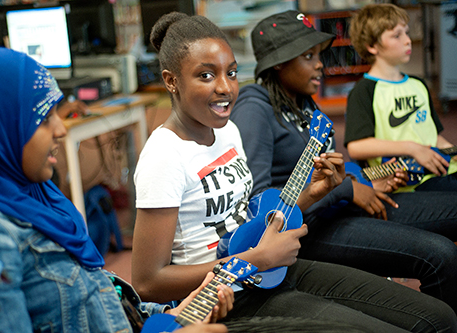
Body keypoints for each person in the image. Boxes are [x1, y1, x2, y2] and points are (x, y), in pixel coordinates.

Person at [132, 11, 457, 332]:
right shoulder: (164, 155)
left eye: (231, 73)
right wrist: (254, 260)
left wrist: (313, 194)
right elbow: (148, 283)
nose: (225, 88)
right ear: (171, 80)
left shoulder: (228, 132)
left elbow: (249, 220)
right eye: (206, 76)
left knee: (440, 319)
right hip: (228, 297)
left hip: (271, 269)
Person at [0, 47, 236, 333]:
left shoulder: (38, 197)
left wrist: (168, 313)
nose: (61, 129)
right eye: (43, 118)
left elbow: (91, 294)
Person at [229, 9, 457, 314]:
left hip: (339, 209)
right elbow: (259, 203)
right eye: (308, 56)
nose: (320, 64)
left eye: (318, 55)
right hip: (308, 229)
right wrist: (347, 190)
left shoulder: (303, 104)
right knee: (439, 255)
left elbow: (328, 173)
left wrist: (366, 180)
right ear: (280, 63)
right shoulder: (255, 107)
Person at [344, 3, 457, 192]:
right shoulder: (363, 91)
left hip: (442, 170)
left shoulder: (418, 84)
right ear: (372, 46)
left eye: (406, 32)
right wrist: (412, 148)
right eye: (397, 35)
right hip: (409, 183)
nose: (408, 40)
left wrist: (453, 152)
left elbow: (433, 136)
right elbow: (356, 146)